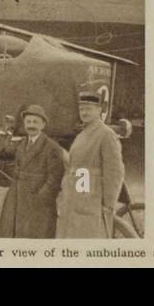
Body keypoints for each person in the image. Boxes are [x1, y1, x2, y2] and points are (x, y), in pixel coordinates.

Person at [55, 90, 125, 239]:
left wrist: (108, 205)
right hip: (76, 198)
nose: (84, 113)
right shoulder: (83, 133)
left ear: (99, 110)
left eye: (89, 109)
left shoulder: (106, 134)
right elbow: (77, 164)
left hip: (92, 200)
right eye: (81, 109)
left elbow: (115, 173)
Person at [0, 105, 66, 238]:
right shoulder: (22, 143)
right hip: (16, 197)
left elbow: (55, 178)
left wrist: (41, 199)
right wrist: (5, 133)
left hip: (38, 202)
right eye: (28, 122)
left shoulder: (52, 147)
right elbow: (2, 151)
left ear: (43, 125)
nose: (31, 125)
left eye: (35, 122)